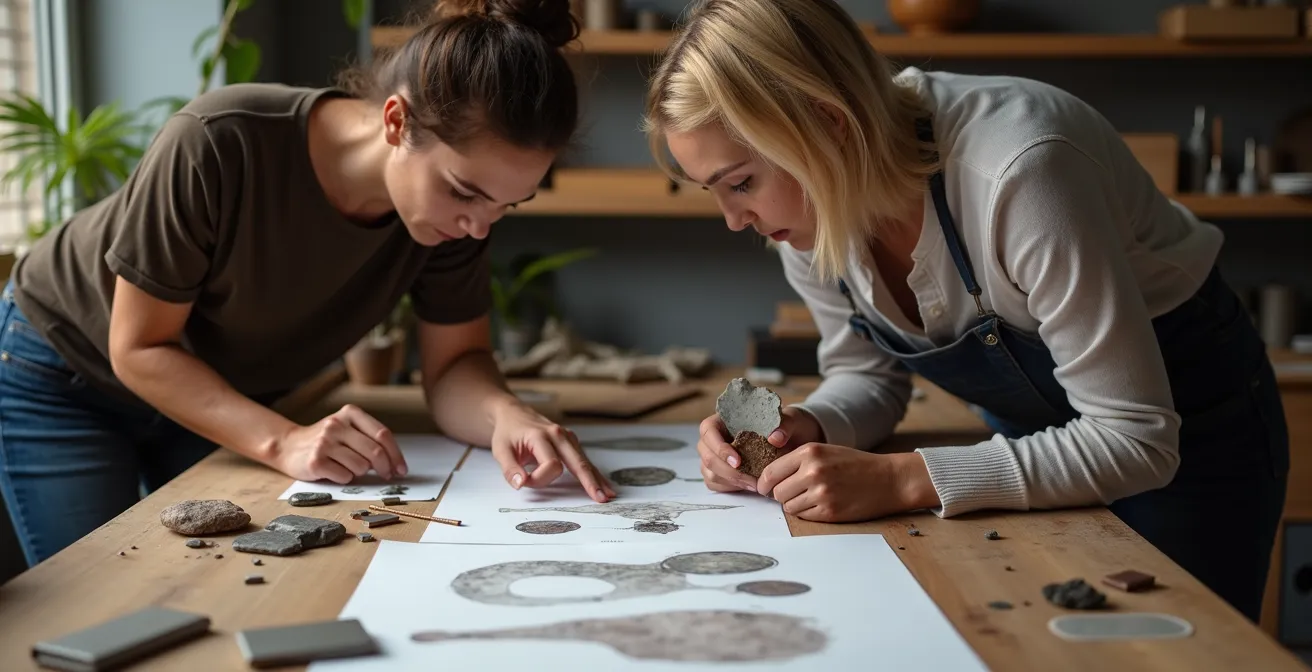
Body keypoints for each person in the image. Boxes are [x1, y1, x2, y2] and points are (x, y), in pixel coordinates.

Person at [644, 0, 1288, 622]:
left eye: (740, 182)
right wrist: (808, 429)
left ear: (827, 124)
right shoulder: (808, 214)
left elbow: (1135, 438)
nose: (735, 221)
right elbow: (869, 378)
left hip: (1190, 433)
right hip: (1034, 449)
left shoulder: (1020, 172)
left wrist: (903, 480)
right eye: (715, 192)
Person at [0, 0, 615, 568]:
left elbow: (456, 364)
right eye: (464, 192)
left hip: (211, 393)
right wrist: (285, 441)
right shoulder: (218, 141)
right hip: (63, 373)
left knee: (212, 579)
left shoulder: (452, 225)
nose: (478, 226)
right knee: (105, 591)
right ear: (397, 122)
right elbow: (138, 348)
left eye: (508, 205)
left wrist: (504, 414)